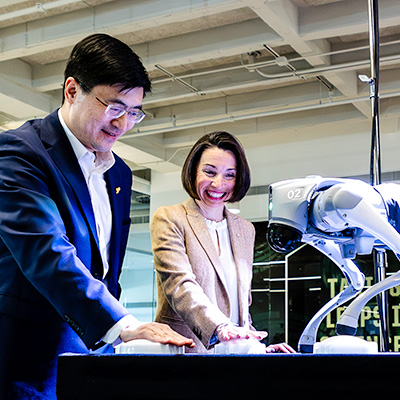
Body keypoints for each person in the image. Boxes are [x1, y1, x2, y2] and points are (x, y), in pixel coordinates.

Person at [0, 33, 193, 400]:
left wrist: (112, 344)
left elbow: (107, 273)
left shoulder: (118, 172)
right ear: (72, 90)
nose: (123, 124)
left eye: (134, 113)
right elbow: (48, 254)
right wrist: (123, 325)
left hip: (92, 361)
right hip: (26, 364)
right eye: (115, 107)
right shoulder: (20, 153)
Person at [150, 131, 295, 353]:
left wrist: (255, 347)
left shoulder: (245, 229)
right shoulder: (170, 218)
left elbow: (239, 307)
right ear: (193, 171)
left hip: (231, 362)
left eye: (230, 175)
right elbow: (179, 285)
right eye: (209, 172)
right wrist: (220, 327)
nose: (219, 184)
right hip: (185, 356)